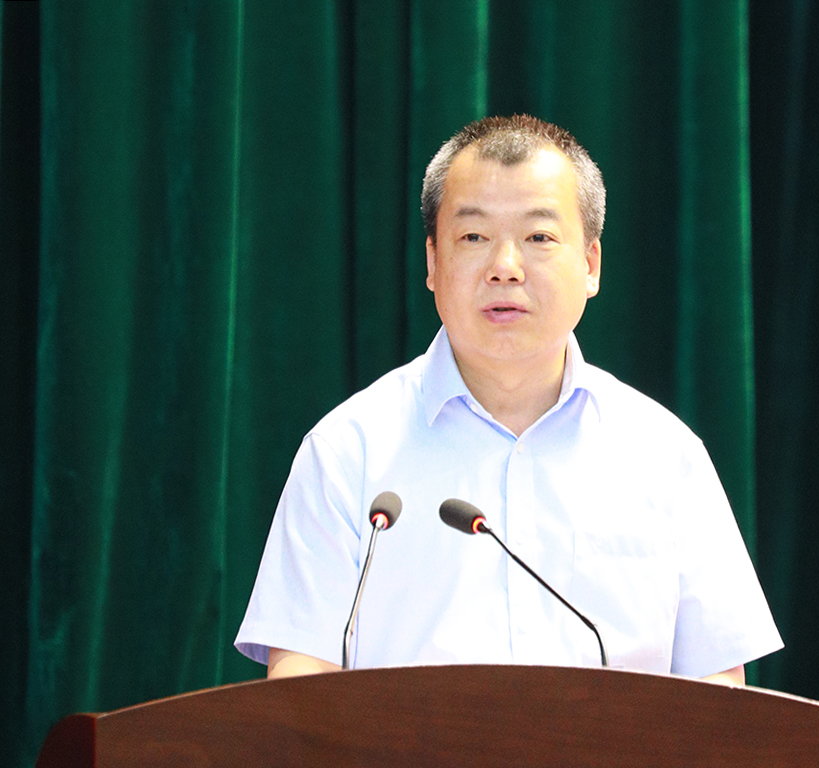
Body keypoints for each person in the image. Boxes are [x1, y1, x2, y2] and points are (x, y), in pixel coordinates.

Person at [235, 115, 782, 684]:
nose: (504, 268)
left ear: (591, 264)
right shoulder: (348, 452)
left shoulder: (666, 456)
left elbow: (717, 692)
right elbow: (300, 679)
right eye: (474, 237)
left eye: (538, 237)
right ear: (432, 262)